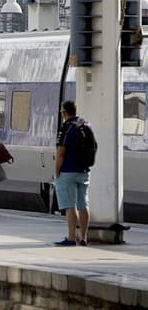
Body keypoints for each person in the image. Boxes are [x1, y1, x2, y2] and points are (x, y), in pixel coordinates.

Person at [54, 100, 91, 246]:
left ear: (64, 112)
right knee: (83, 204)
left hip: (68, 171)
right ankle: (84, 238)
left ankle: (71, 238)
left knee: (70, 205)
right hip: (84, 171)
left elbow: (61, 152)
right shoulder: (85, 125)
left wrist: (57, 170)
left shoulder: (65, 128)